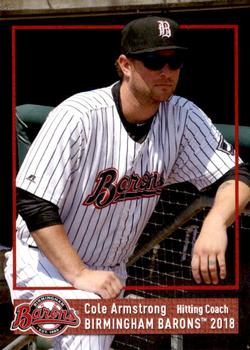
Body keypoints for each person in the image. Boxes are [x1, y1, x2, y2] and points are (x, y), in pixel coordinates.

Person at [5, 16, 250, 349]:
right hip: (43, 266)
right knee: (86, 335)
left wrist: (216, 222)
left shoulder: (182, 116)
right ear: (125, 65)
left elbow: (237, 175)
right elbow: (34, 202)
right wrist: (78, 274)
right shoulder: (79, 115)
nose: (166, 71)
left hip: (107, 274)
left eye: (174, 61)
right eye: (154, 60)